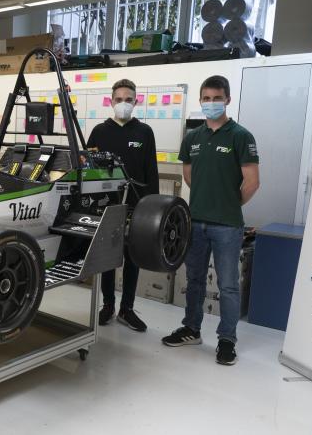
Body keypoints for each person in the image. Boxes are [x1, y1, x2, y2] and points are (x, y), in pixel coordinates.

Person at [162, 75, 260, 366]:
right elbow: (189, 175)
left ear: (227, 99)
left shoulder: (241, 136)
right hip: (196, 222)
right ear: (201, 100)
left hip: (228, 225)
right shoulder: (192, 138)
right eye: (206, 98)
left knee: (228, 284)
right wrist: (206, 200)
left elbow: (252, 182)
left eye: (217, 98)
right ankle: (192, 328)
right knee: (194, 279)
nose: (212, 103)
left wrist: (229, 204)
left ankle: (227, 339)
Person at [87, 79, 159, 332]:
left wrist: (153, 210)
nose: (123, 104)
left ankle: (127, 309)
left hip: (137, 207)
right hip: (107, 207)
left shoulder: (144, 132)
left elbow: (152, 171)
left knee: (132, 257)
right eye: (119, 99)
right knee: (107, 258)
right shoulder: (99, 131)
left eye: (128, 100)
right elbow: (88, 170)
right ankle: (107, 305)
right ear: (111, 101)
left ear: (136, 101)